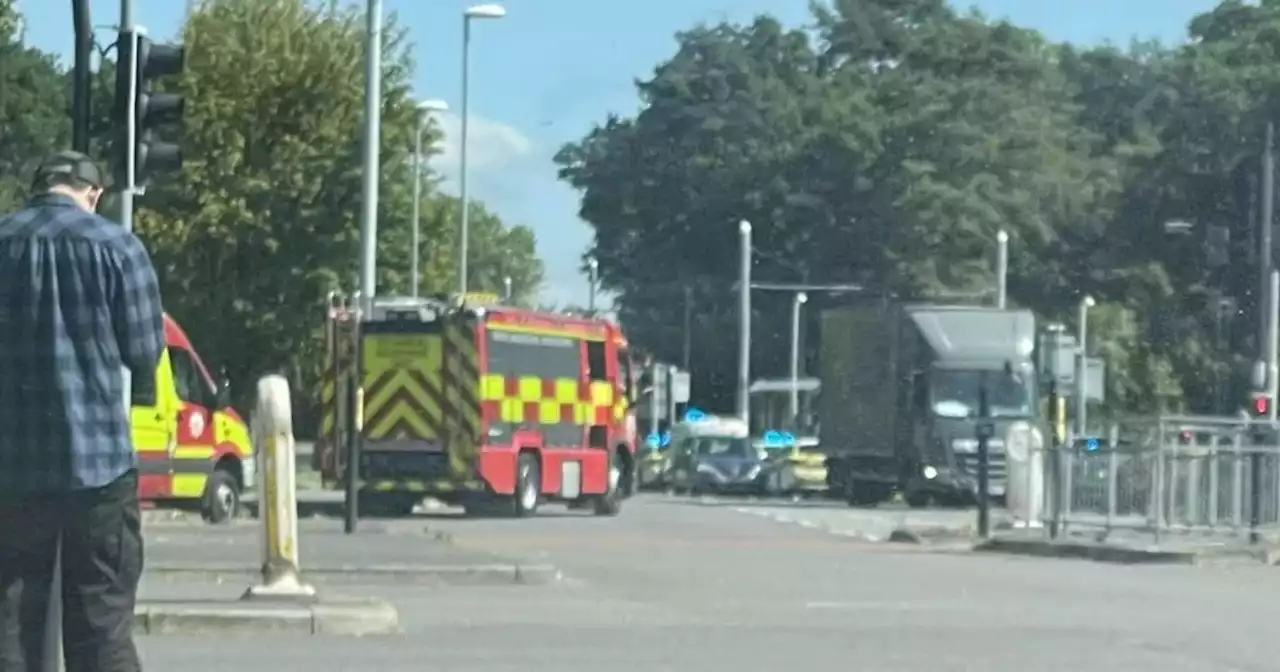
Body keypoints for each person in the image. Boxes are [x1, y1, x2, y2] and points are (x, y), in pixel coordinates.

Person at [0, 151, 165, 672]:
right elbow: (144, 351)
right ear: (93, 194)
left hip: (12, 470)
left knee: (11, 623)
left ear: (39, 187)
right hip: (100, 471)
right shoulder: (118, 247)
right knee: (101, 627)